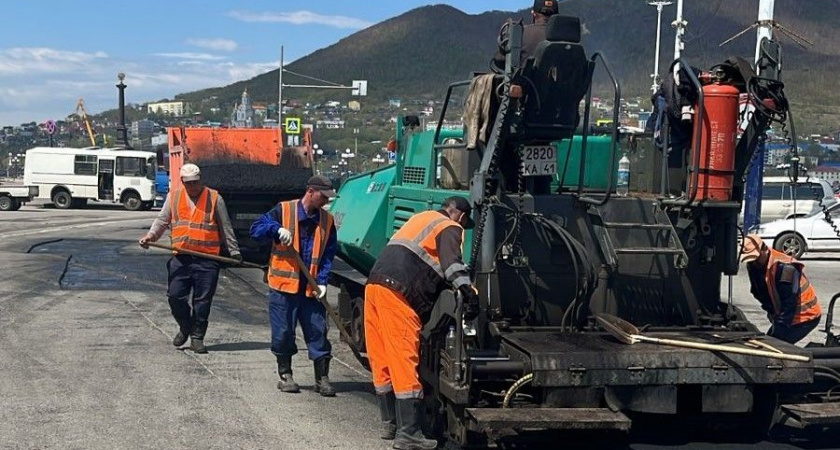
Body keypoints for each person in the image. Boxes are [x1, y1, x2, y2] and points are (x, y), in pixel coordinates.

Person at [364, 197, 479, 449]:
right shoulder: (449, 226)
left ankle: (390, 424)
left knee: (381, 357)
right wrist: (468, 292)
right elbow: (452, 265)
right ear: (459, 215)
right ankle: (409, 434)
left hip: (374, 286)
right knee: (404, 359)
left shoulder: (420, 218)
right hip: (399, 293)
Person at [249, 174, 338, 397]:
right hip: (283, 287)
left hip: (310, 289)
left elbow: (327, 254)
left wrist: (324, 281)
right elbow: (256, 229)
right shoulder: (283, 211)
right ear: (310, 191)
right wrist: (276, 230)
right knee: (283, 333)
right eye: (322, 196)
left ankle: (322, 378)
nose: (325, 201)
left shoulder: (327, 221)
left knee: (318, 331)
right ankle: (285, 375)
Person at [139, 163, 241, 354]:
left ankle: (197, 337)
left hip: (207, 260)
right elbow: (162, 220)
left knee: (202, 302)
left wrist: (234, 252)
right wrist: (151, 237)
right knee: (175, 297)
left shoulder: (214, 198)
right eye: (189, 183)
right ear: (183, 182)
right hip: (181, 257)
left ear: (200, 180)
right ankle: (186, 326)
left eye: (195, 183)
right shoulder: (174, 197)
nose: (193, 187)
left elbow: (225, 226)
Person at [740, 234, 821, 344]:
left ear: (764, 250)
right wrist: (771, 311)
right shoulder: (755, 266)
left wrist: (778, 328)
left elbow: (789, 303)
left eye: (756, 259)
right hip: (785, 315)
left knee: (775, 347)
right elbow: (757, 291)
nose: (754, 263)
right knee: (769, 343)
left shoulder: (785, 268)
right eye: (750, 260)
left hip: (805, 317)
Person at [491, 0, 560, 71]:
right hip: (561, 81)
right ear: (557, 16)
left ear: (534, 14)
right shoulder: (566, 37)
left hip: (525, 81)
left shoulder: (520, 33)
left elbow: (499, 60)